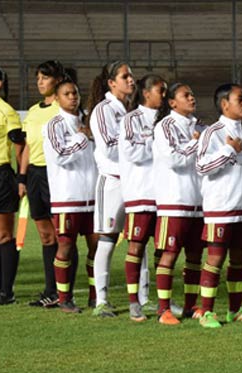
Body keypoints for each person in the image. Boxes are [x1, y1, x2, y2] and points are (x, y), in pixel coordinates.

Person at [20, 61, 92, 308]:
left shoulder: (67, 115)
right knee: (47, 237)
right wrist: (22, 177)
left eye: (45, 77)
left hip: (63, 181)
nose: (40, 82)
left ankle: (68, 292)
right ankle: (53, 291)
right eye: (38, 77)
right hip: (38, 175)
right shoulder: (34, 112)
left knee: (67, 238)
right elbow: (30, 145)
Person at [195, 83, 242, 328]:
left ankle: (235, 309)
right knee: (215, 259)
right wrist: (229, 150)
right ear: (224, 104)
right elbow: (202, 166)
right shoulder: (213, 132)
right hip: (221, 207)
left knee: (239, 260)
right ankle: (207, 312)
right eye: (239, 99)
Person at [42, 79, 98, 313]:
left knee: (98, 247)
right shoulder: (54, 125)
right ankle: (64, 297)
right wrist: (82, 138)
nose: (73, 97)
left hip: (93, 197)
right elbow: (60, 155)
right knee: (65, 245)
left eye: (75, 92)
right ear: (57, 98)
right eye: (67, 94)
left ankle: (97, 297)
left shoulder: (88, 122)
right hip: (68, 197)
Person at [153, 82, 205, 325]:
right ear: (172, 103)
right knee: (169, 255)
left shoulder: (199, 126)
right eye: (186, 95)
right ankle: (164, 309)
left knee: (195, 256)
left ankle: (190, 305)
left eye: (192, 93)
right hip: (174, 201)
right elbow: (174, 159)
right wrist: (196, 143)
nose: (192, 98)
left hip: (198, 202)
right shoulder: (165, 126)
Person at [87, 61, 136, 317]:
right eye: (125, 76)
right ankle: (102, 301)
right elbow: (108, 144)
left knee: (139, 238)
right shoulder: (103, 110)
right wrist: (139, 140)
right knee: (107, 238)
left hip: (134, 182)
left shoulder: (130, 110)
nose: (131, 80)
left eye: (132, 76)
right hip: (113, 181)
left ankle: (144, 297)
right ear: (111, 82)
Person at [119, 74, 167, 322]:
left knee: (164, 250)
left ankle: (163, 303)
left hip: (165, 195)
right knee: (136, 247)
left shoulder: (166, 120)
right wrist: (160, 146)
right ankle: (133, 302)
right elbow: (133, 153)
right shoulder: (131, 120)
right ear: (147, 93)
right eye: (161, 90)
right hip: (140, 193)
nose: (165, 95)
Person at [0, 64, 22, 305]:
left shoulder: (6, 112)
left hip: (0, 175)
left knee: (3, 235)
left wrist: (22, 178)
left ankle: (6, 291)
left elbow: (20, 145)